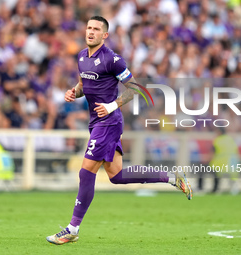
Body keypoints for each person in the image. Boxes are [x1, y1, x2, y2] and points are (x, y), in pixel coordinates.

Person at [46, 16, 192, 245]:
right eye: (88, 28)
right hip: (96, 121)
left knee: (86, 172)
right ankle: (172, 177)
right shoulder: (82, 56)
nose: (91, 32)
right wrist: (73, 92)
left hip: (109, 122)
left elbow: (135, 89)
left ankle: (72, 228)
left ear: (105, 35)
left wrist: (112, 105)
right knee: (116, 176)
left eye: (96, 29)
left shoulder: (113, 59)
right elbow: (85, 85)